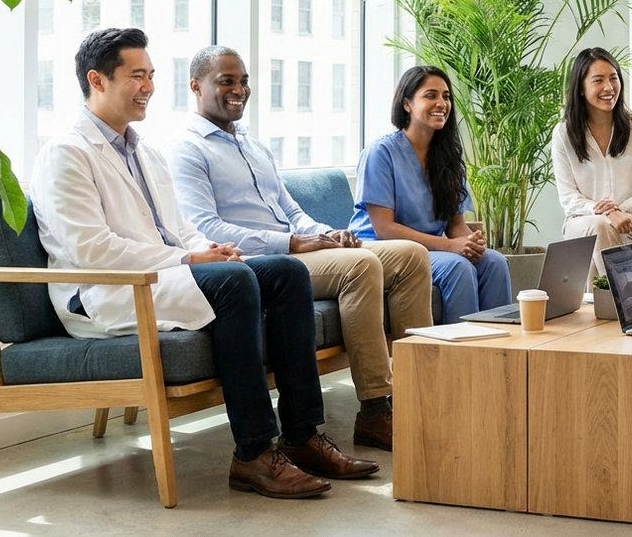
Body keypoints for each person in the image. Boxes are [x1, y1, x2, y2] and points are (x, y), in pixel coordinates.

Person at [32, 28, 377, 500]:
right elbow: (92, 249)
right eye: (137, 76)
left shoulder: (144, 151)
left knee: (285, 272)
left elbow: (180, 228)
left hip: (163, 273)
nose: (149, 86)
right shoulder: (65, 153)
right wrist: (188, 256)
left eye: (151, 75)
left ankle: (302, 436)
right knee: (235, 283)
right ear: (97, 80)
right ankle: (254, 453)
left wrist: (212, 248)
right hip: (107, 289)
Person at [166, 46, 435, 452]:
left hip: (297, 250)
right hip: (261, 263)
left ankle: (419, 396)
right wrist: (290, 242)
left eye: (243, 81)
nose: (239, 89)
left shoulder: (252, 146)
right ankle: (376, 410)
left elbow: (289, 209)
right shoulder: (188, 150)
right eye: (226, 81)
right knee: (360, 266)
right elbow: (205, 228)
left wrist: (327, 234)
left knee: (410, 255)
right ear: (195, 86)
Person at [349, 65, 513, 323]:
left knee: (494, 262)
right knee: (457, 268)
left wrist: (471, 243)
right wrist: (450, 246)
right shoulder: (380, 154)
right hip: (384, 250)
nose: (441, 103)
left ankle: (500, 355)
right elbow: (385, 229)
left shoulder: (449, 158)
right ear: (407, 104)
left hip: (432, 249)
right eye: (431, 95)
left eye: (446, 96)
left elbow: (456, 225)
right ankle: (458, 359)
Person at [552, 47, 632, 285]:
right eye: (598, 80)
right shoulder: (564, 133)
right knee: (600, 226)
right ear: (580, 88)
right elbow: (568, 197)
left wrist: (622, 210)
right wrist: (608, 213)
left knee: (592, 259)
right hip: (582, 223)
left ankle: (596, 316)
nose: (609, 87)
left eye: (614, 78)